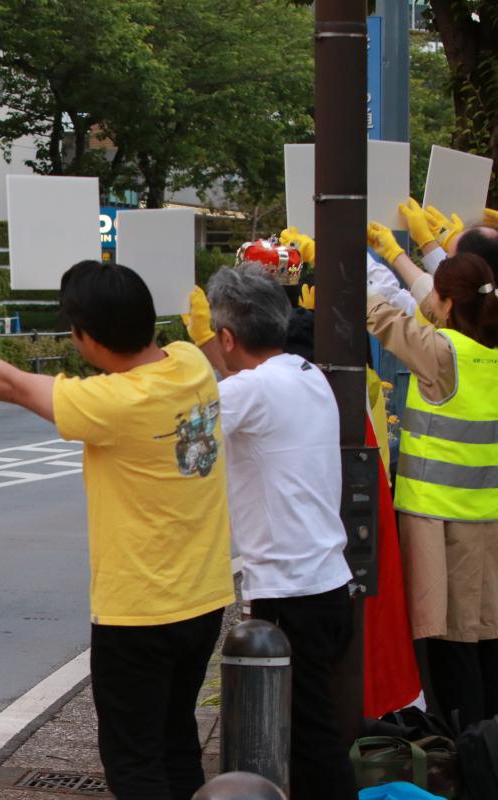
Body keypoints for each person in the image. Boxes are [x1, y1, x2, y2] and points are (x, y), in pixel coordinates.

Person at [0, 260, 234, 800]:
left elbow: (10, 383)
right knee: (175, 742)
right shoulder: (191, 364)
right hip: (204, 599)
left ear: (87, 339)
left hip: (140, 613)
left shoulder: (115, 403)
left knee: (135, 763)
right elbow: (212, 353)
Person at [187, 267, 356, 800]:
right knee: (311, 733)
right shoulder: (306, 373)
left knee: (308, 740)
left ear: (228, 338)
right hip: (327, 580)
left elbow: (188, 451)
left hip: (291, 592)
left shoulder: (251, 390)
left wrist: (192, 361)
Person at [361, 227, 498, 728]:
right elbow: (417, 305)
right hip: (488, 516)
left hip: (437, 521)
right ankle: (488, 746)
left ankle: (469, 750)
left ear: (444, 302)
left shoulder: (443, 355)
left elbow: (385, 316)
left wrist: (331, 261)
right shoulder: (483, 350)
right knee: (485, 633)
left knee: (448, 640)